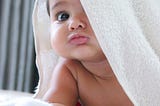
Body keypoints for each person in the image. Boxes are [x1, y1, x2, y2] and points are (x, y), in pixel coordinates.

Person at [43, 0, 133, 105]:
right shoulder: (69, 69)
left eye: (90, 12)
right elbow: (53, 103)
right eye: (63, 16)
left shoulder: (138, 62)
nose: (74, 23)